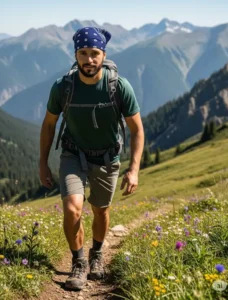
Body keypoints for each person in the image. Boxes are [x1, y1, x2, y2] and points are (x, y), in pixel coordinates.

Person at [39, 26, 144, 291]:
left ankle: (97, 254)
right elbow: (49, 125)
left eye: (94, 53)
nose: (89, 59)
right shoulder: (63, 88)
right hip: (73, 153)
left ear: (103, 54)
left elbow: (137, 129)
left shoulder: (118, 86)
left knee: (101, 210)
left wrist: (134, 169)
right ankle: (79, 261)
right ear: (76, 55)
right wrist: (43, 162)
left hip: (107, 158)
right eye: (83, 53)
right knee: (73, 208)